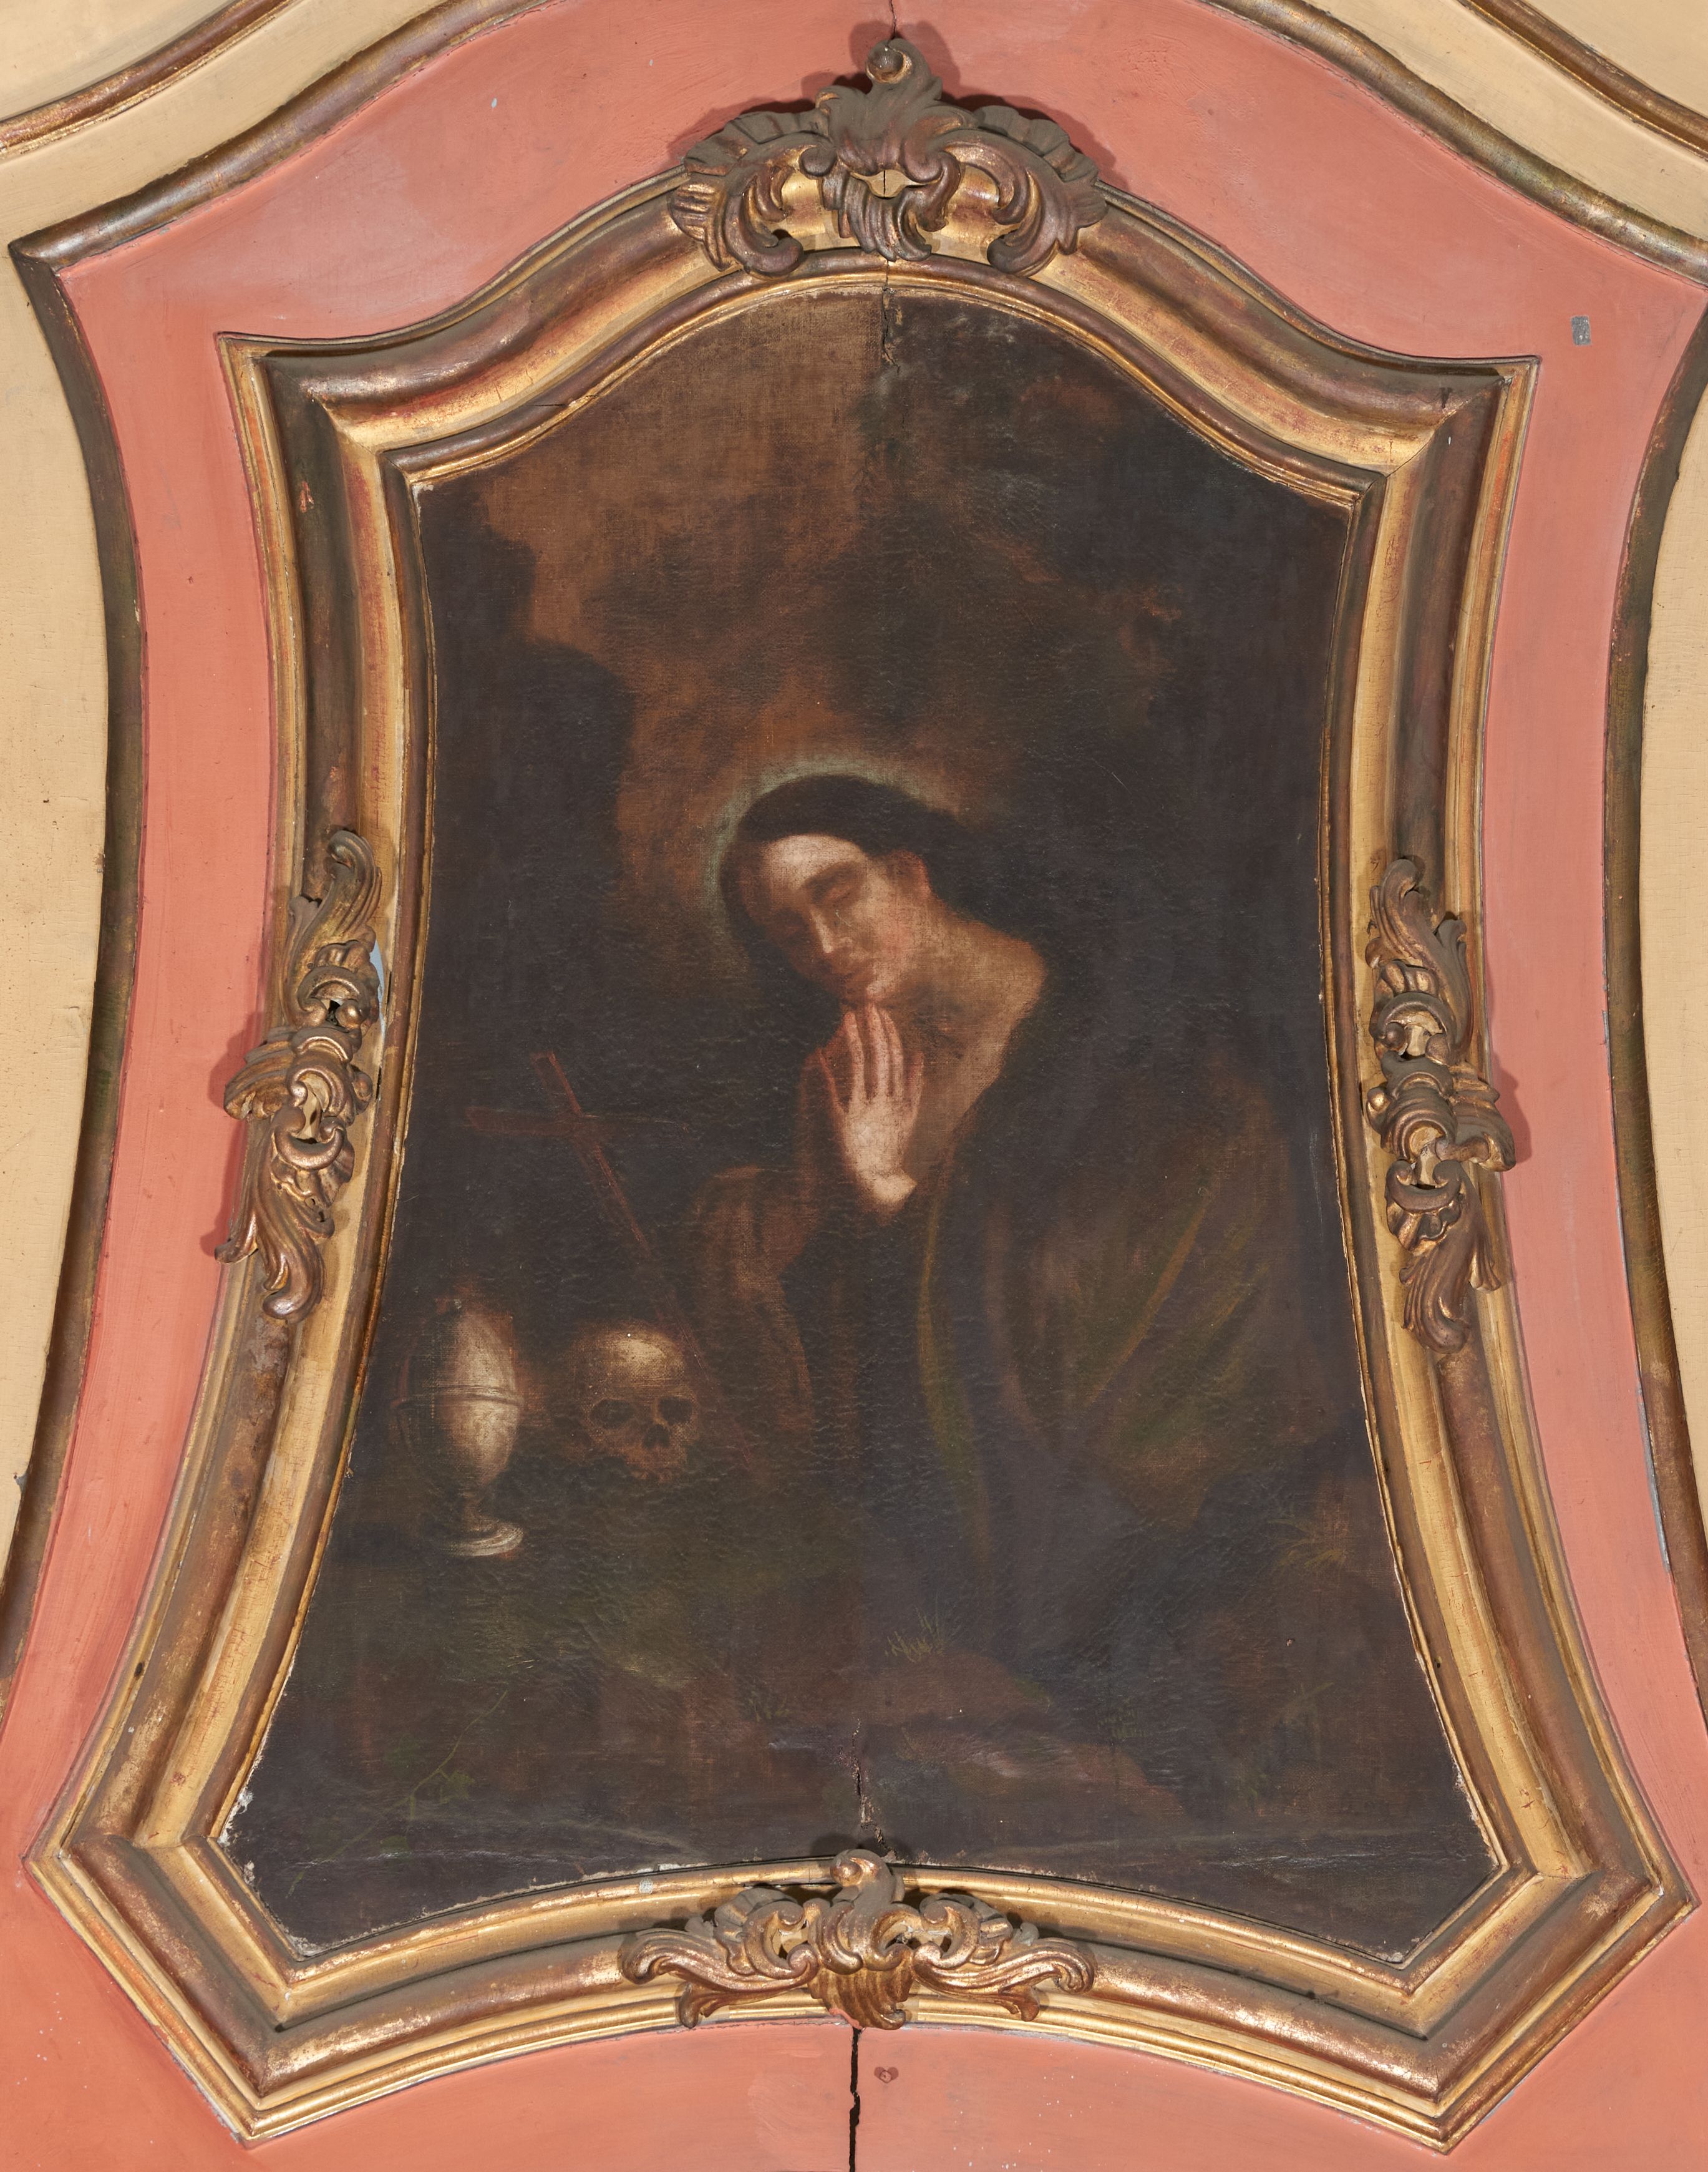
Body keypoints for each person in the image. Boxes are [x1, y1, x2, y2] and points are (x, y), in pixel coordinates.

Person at [681, 774, 1481, 1889]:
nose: (820, 944)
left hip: (1168, 1478)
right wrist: (819, 1219)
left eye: (837, 893)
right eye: (784, 928)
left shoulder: (1108, 1035)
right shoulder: (848, 1076)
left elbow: (1090, 1288)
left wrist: (895, 1203)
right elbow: (869, 1381)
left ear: (909, 872)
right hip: (981, 1537)